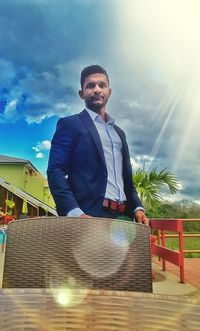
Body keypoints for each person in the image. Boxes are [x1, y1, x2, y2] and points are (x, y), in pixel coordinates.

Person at [47, 65, 149, 224]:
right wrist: (75, 213)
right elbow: (55, 171)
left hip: (125, 219)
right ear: (81, 94)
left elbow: (126, 180)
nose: (97, 89)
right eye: (90, 85)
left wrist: (138, 208)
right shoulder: (70, 125)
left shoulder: (119, 134)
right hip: (90, 217)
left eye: (102, 85)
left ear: (109, 91)